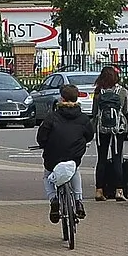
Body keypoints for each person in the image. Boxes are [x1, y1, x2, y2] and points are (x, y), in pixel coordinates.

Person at [37, 83, 92, 226]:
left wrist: (44, 144)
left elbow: (41, 137)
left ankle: (53, 199)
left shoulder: (51, 118)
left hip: (53, 156)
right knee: (74, 170)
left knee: (47, 175)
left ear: (61, 99)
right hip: (74, 155)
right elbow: (90, 135)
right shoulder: (83, 118)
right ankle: (79, 201)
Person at [91, 64, 128, 202]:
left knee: (101, 159)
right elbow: (125, 110)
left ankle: (99, 190)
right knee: (117, 157)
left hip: (102, 129)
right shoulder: (122, 91)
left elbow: (94, 112)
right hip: (118, 128)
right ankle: (119, 190)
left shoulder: (98, 92)